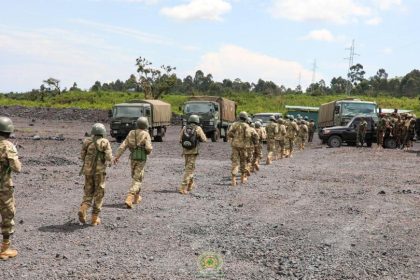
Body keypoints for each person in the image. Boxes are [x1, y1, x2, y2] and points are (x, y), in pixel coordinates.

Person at [113, 117, 153, 208]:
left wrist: (117, 156)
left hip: (133, 157)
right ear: (146, 124)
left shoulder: (131, 133)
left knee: (135, 177)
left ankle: (136, 197)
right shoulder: (146, 134)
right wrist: (148, 152)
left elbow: (123, 145)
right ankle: (130, 197)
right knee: (138, 179)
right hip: (141, 158)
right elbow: (149, 148)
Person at [78, 123, 112, 225]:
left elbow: (82, 155)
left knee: (88, 191)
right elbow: (109, 157)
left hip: (87, 171)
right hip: (99, 172)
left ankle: (83, 208)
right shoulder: (104, 142)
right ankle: (94, 218)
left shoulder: (87, 141)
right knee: (99, 193)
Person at [0, 117, 21, 260]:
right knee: (7, 215)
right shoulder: (8, 146)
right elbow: (17, 168)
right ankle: (5, 249)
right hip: (4, 187)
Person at [178, 114, 207, 195]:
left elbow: (180, 140)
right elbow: (204, 139)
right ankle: (183, 188)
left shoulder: (184, 128)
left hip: (185, 152)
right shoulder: (198, 128)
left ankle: (191, 184)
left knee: (190, 167)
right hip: (193, 152)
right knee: (189, 169)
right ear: (197, 121)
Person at [228, 111, 251, 186]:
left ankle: (233, 180)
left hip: (234, 145)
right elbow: (248, 135)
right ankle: (242, 178)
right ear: (245, 118)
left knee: (235, 162)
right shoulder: (246, 126)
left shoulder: (234, 124)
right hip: (243, 146)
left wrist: (235, 137)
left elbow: (229, 133)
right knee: (243, 161)